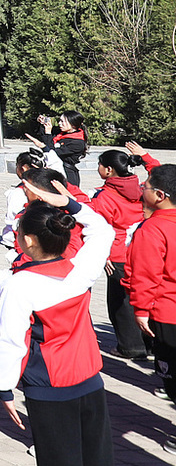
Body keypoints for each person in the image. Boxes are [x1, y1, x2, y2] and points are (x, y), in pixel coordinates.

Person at [0, 174, 118, 466]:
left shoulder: (22, 284)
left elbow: (11, 340)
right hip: (89, 378)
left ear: (29, 241)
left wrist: (4, 387)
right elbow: (103, 230)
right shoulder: (79, 269)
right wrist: (72, 204)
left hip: (50, 386)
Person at [86, 148, 152, 362]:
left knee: (120, 302)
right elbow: (162, 173)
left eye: (99, 165)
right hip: (142, 250)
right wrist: (147, 158)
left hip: (117, 254)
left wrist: (102, 254)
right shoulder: (143, 188)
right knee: (144, 296)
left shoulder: (104, 196)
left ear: (108, 170)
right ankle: (151, 343)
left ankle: (131, 347)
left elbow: (97, 227)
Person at [129, 164, 176, 442]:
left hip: (168, 311)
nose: (141, 190)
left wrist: (141, 308)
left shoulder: (153, 228)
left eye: (144, 186)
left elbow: (146, 274)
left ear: (160, 195)